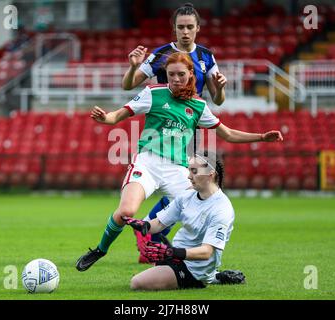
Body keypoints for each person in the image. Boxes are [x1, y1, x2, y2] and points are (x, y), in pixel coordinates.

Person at [75, 52, 283, 272]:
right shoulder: (153, 93)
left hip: (178, 170)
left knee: (202, 215)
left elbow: (228, 133)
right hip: (147, 163)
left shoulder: (198, 105)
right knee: (125, 212)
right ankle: (100, 250)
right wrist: (104, 118)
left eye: (181, 74)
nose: (175, 79)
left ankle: (213, 270)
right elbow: (116, 116)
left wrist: (261, 137)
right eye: (171, 74)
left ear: (191, 74)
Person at [122, 2, 227, 259]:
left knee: (190, 187)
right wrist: (135, 66)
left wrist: (221, 87)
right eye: (181, 27)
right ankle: (152, 231)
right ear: (174, 29)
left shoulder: (206, 57)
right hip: (164, 128)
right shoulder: (161, 54)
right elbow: (130, 84)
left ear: (198, 28)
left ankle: (151, 231)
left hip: (190, 125)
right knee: (190, 188)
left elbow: (218, 99)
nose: (185, 31)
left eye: (190, 26)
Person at [123, 152, 245, 290]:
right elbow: (158, 224)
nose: (188, 176)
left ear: (210, 174)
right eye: (189, 170)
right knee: (143, 278)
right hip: (176, 256)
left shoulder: (222, 209)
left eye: (194, 171)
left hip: (195, 269)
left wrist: (171, 252)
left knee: (136, 283)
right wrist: (143, 225)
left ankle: (207, 279)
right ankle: (216, 277)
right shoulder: (186, 196)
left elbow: (206, 252)